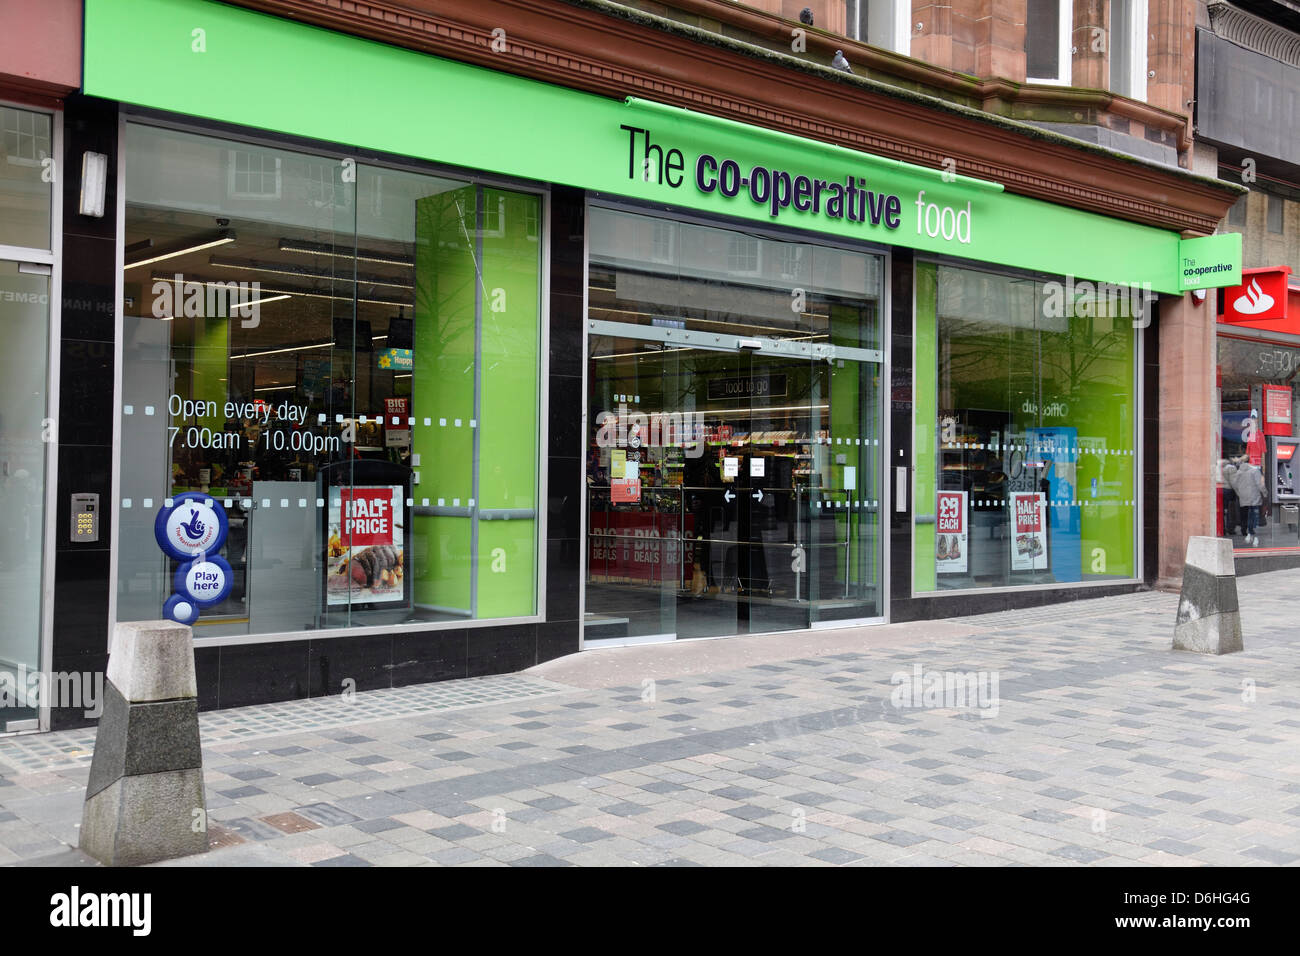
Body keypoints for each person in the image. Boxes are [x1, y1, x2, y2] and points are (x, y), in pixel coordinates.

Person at [1223, 455, 1268, 546]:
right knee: (1252, 512)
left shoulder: (1238, 472)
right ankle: (1251, 529)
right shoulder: (1254, 471)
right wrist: (1265, 493)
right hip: (1253, 495)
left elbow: (1235, 483)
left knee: (1243, 513)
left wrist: (1239, 492)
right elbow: (1259, 484)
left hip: (1242, 495)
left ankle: (1244, 529)